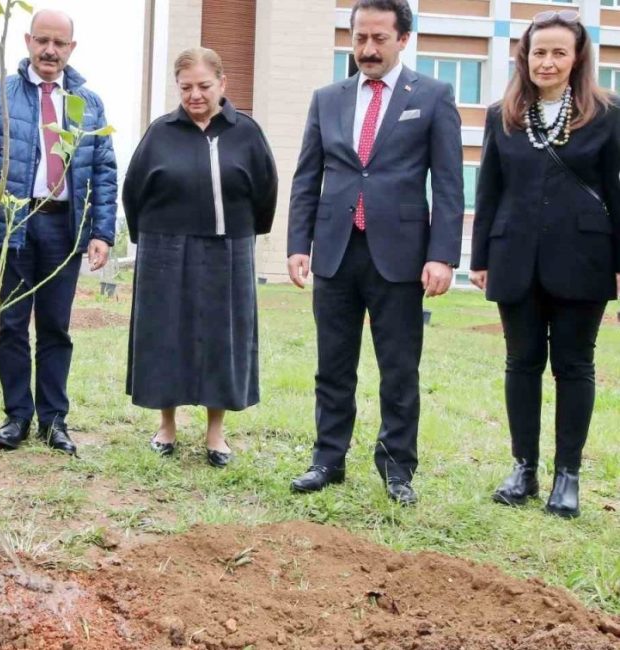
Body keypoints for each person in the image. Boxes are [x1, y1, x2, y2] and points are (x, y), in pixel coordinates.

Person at [286, 0, 464, 504]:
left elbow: (449, 184)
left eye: (379, 38)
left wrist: (442, 254)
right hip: (336, 251)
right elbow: (307, 177)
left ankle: (397, 467)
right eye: (360, 38)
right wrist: (299, 243)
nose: (367, 48)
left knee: (399, 366)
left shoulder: (432, 95)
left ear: (402, 38)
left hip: (402, 255)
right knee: (333, 363)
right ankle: (327, 458)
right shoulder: (328, 98)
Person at [470, 10, 620, 519]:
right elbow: (488, 188)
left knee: (575, 366)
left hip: (585, 257)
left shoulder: (607, 112)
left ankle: (567, 475)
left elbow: (616, 192)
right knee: (521, 363)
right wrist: (480, 257)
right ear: (524, 56)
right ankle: (524, 469)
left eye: (559, 51)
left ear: (577, 57)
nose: (547, 61)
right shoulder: (502, 113)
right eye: (539, 51)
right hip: (514, 255)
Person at [0, 9, 117, 456]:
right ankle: (16, 416)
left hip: (63, 228)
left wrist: (100, 231)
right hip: (11, 225)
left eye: (59, 43)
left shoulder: (88, 104)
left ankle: (53, 420)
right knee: (9, 324)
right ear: (27, 41)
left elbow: (104, 171)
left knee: (55, 327)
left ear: (71, 48)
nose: (49, 50)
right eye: (42, 40)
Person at [123, 47, 277, 468]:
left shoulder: (246, 132)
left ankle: (215, 434)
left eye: (204, 86)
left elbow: (265, 190)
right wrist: (148, 239)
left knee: (220, 335)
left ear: (222, 85)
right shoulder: (160, 132)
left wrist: (244, 233)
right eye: (186, 86)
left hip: (227, 247)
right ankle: (166, 426)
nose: (195, 95)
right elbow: (133, 191)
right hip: (163, 248)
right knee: (165, 334)